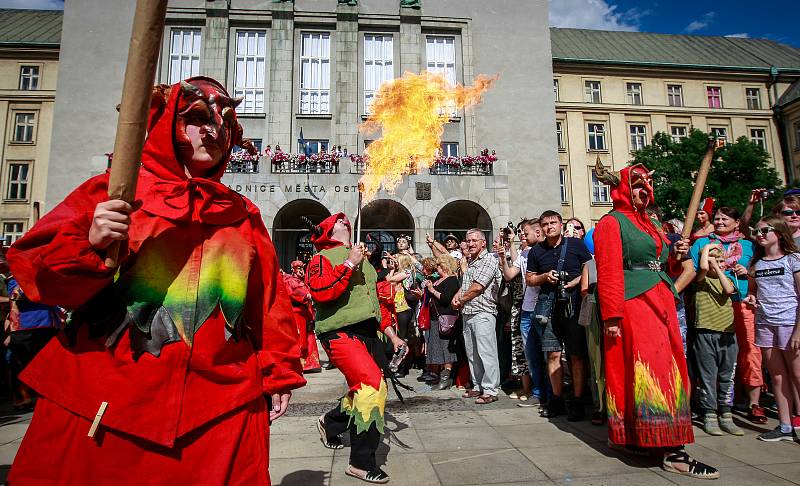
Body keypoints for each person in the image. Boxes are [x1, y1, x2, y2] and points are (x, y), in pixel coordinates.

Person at [6, 77, 306, 484]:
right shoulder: (115, 192)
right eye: (197, 118)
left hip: (218, 412)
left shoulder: (242, 216)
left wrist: (278, 370)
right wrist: (89, 240)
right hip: (104, 402)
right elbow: (45, 279)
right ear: (168, 122)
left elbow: (268, 304)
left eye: (224, 121)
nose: (213, 129)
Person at [593, 162, 718, 479]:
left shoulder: (651, 224)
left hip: (662, 302)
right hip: (634, 306)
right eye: (636, 185)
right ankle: (672, 450)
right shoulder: (612, 222)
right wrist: (612, 315)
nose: (643, 190)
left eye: (646, 185)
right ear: (622, 188)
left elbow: (661, 265)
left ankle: (649, 440)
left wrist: (675, 254)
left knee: (672, 369)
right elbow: (608, 272)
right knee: (656, 372)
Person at [307, 213, 405, 483]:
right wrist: (350, 262)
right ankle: (360, 463)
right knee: (372, 387)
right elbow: (321, 292)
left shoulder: (368, 265)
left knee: (363, 390)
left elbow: (375, 306)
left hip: (368, 335)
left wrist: (392, 336)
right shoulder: (321, 258)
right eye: (338, 222)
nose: (345, 222)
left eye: (345, 220)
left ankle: (331, 423)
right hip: (339, 333)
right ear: (327, 231)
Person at [689, 208, 764, 424]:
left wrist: (747, 272)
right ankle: (714, 407)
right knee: (713, 361)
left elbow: (759, 268)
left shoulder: (748, 245)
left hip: (743, 302)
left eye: (725, 218)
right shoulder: (703, 243)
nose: (720, 221)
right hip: (711, 308)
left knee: (749, 350)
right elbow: (697, 269)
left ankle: (752, 402)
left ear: (737, 222)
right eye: (717, 218)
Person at [526, 210, 592, 421]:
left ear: (561, 224)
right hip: (548, 306)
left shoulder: (576, 245)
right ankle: (556, 399)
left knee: (576, 355)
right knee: (552, 354)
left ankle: (578, 400)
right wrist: (545, 276)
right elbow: (529, 279)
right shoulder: (537, 251)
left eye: (553, 223)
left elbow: (590, 268)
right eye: (544, 224)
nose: (549, 227)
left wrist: (576, 281)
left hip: (573, 303)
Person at [746, 215, 800, 442]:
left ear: (778, 232)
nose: (760, 234)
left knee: (797, 374)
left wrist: (799, 330)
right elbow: (752, 291)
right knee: (777, 376)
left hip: (790, 322)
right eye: (756, 231)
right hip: (765, 323)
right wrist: (751, 298)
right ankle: (785, 426)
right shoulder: (757, 264)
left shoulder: (793, 260)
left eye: (765, 230)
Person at [693, 243, 743, 436]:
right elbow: (704, 268)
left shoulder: (728, 278)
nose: (718, 264)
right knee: (707, 376)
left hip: (727, 334)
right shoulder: (700, 280)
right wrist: (710, 250)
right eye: (714, 260)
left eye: (722, 261)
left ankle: (726, 413)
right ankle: (709, 413)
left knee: (727, 375)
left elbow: (729, 290)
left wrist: (720, 265)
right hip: (705, 332)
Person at [498, 219, 546, 405]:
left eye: (524, 233)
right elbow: (509, 275)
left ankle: (547, 393)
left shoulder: (543, 251)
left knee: (546, 353)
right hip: (526, 309)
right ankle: (537, 391)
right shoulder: (525, 253)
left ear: (537, 232)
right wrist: (503, 258)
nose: (521, 236)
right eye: (520, 233)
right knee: (530, 353)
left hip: (541, 307)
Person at [452, 228, 501, 404]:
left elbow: (478, 286)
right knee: (473, 353)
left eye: (474, 240)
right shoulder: (471, 261)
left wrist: (461, 300)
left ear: (483, 243)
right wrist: (458, 295)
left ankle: (490, 389)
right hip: (468, 312)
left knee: (486, 352)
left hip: (483, 312)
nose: (470, 244)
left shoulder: (489, 259)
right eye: (468, 240)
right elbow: (466, 285)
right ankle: (478, 385)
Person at [422, 255, 460, 390]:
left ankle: (447, 377)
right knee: (437, 347)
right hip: (434, 317)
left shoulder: (452, 280)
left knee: (446, 347)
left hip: (446, 318)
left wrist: (432, 290)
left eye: (438, 265)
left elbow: (445, 299)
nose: (436, 268)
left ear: (444, 266)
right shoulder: (438, 279)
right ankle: (440, 375)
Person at [283, 260, 322, 373]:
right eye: (298, 268)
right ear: (293, 269)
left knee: (309, 338)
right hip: (297, 313)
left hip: (306, 313)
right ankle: (298, 363)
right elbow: (297, 293)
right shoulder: (290, 281)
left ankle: (310, 364)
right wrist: (308, 295)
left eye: (301, 268)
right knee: (300, 339)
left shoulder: (302, 281)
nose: (300, 271)